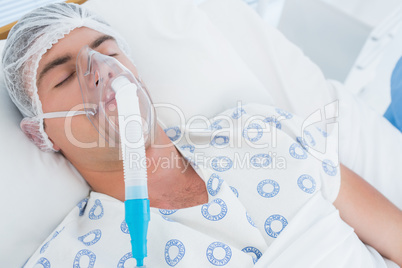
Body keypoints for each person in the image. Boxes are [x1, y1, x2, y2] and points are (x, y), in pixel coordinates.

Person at [2, 3, 401, 267]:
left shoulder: (260, 133)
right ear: (41, 134)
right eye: (67, 75)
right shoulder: (74, 256)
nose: (101, 71)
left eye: (108, 52)